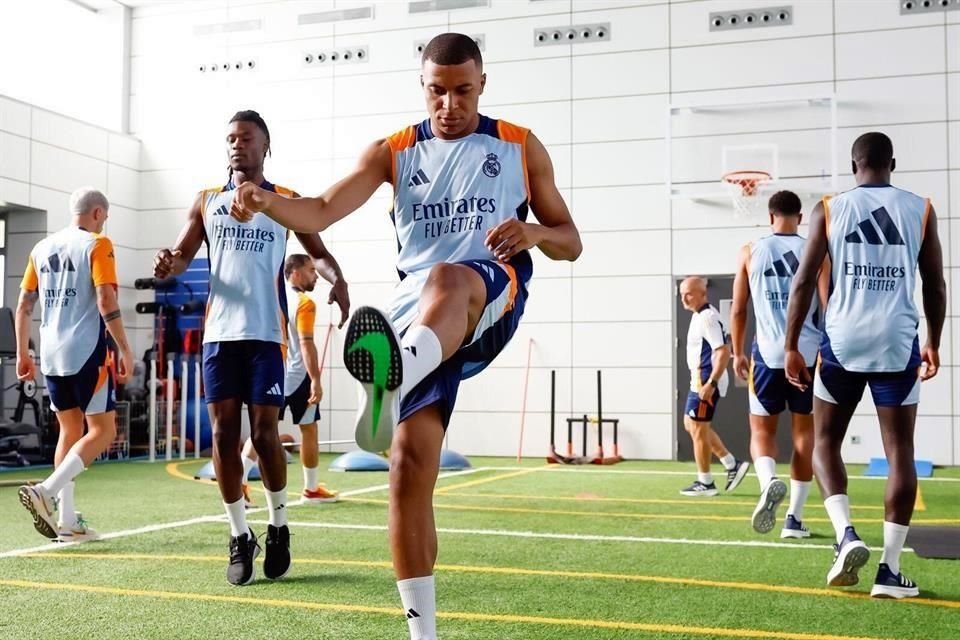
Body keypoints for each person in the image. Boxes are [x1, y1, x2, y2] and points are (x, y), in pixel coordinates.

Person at [230, 33, 581, 640]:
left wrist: (533, 234)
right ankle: (423, 635)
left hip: (487, 293)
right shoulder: (392, 151)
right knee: (407, 467)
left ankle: (396, 372)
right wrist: (263, 202)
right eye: (437, 91)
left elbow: (570, 240)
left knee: (449, 274)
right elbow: (317, 211)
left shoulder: (520, 146)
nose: (450, 104)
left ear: (482, 83)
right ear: (423, 86)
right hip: (416, 315)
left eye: (463, 90)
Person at [153, 110, 349, 587]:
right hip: (220, 336)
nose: (237, 145)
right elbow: (181, 256)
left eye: (246, 138)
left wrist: (337, 279)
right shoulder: (206, 202)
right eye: (230, 139)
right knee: (222, 434)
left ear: (266, 147)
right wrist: (168, 264)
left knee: (264, 433)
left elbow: (317, 252)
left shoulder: (282, 200)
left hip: (266, 334)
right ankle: (240, 535)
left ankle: (279, 526)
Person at [784, 132, 945, 598]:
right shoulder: (922, 208)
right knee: (899, 451)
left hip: (842, 341)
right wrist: (933, 341)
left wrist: (793, 344)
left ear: (854, 165)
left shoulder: (829, 208)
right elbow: (934, 284)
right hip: (898, 342)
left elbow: (803, 281)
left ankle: (845, 533)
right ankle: (890, 571)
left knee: (826, 440)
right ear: (891, 163)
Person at [16, 187, 134, 541]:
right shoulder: (98, 245)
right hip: (85, 352)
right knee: (103, 431)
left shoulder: (40, 248)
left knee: (71, 430)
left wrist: (25, 353)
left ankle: (67, 521)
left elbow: (23, 306)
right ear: (97, 213)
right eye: (106, 217)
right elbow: (105, 297)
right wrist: (124, 348)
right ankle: (47, 492)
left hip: (51, 354)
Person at [730, 191, 821, 537]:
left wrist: (738, 353)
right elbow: (827, 304)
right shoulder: (815, 250)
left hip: (766, 355)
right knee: (804, 436)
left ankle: (768, 481)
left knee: (761, 432)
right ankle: (794, 520)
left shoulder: (749, 251)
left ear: (771, 217)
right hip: (807, 354)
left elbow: (739, 309)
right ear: (799, 217)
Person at [239, 254, 339, 507]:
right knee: (308, 428)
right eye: (311, 270)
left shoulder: (272, 299)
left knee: (264, 429)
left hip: (270, 372)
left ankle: (239, 484)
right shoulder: (304, 303)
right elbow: (306, 344)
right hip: (296, 375)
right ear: (294, 273)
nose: (315, 275)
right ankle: (311, 489)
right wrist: (315, 379)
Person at [678, 276, 750, 497]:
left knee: (698, 428)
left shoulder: (708, 317)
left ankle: (706, 482)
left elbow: (722, 351)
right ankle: (731, 463)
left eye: (689, 293)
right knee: (691, 424)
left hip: (706, 380)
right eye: (682, 293)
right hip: (698, 380)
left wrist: (712, 383)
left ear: (702, 293)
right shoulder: (698, 316)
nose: (684, 298)